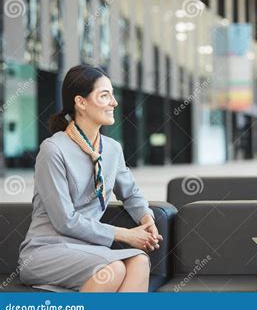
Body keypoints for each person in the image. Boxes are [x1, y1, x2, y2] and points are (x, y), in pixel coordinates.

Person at [18, 65, 162, 292]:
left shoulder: (113, 149)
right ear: (81, 102)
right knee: (112, 269)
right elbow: (64, 220)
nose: (114, 102)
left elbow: (131, 193)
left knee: (140, 262)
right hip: (47, 250)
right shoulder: (53, 149)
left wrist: (146, 218)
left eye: (112, 95)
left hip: (89, 249)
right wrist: (124, 234)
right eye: (104, 95)